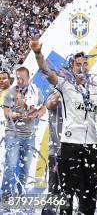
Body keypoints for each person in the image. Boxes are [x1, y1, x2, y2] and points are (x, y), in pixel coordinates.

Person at [31, 39, 97, 215]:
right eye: (78, 64)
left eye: (86, 64)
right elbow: (45, 70)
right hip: (70, 145)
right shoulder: (65, 85)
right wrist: (38, 53)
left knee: (90, 193)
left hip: (91, 145)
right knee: (66, 193)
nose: (83, 67)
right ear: (72, 68)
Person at [1, 66, 44, 196]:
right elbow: (6, 111)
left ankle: (21, 194)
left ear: (28, 77)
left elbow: (43, 109)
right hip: (12, 134)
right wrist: (13, 115)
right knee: (11, 165)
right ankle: (7, 195)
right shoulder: (10, 93)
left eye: (23, 78)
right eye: (18, 78)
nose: (20, 81)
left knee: (25, 167)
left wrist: (35, 115)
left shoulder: (36, 92)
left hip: (29, 136)